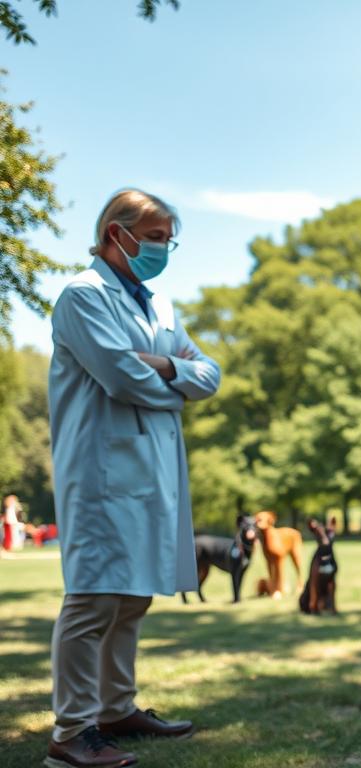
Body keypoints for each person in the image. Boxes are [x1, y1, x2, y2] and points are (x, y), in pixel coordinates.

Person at [46, 189, 221, 768]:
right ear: (116, 234)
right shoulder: (83, 296)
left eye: (167, 237)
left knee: (133, 596)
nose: (163, 247)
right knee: (95, 597)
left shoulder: (160, 305)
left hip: (151, 472)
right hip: (101, 469)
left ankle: (116, 707)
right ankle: (72, 733)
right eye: (153, 236)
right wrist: (176, 387)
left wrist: (168, 365)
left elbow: (210, 373)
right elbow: (121, 378)